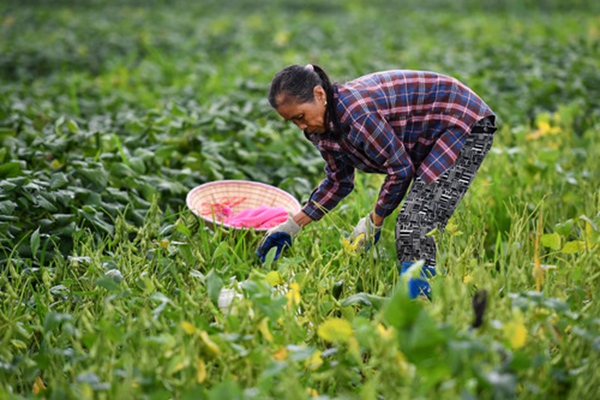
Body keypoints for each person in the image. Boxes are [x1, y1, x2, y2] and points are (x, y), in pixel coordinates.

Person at [256, 64, 497, 298]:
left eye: (301, 116)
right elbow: (338, 181)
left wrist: (373, 223)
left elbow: (400, 169)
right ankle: (419, 303)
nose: (301, 126)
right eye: (293, 122)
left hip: (462, 119)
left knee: (416, 220)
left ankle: (419, 309)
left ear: (319, 94)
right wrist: (294, 225)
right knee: (415, 218)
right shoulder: (319, 129)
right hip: (429, 133)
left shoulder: (357, 115)